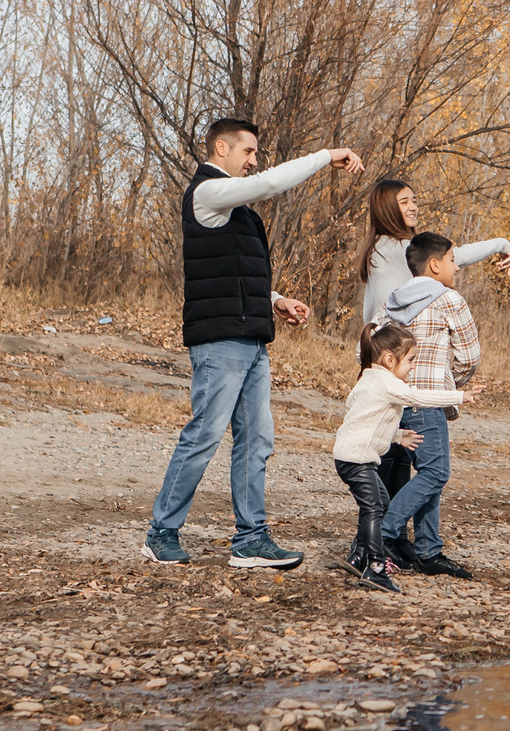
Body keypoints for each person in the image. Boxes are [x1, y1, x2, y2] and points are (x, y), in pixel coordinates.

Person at [146, 118, 362, 569]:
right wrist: (326, 156)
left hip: (251, 337)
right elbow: (268, 185)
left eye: (256, 154)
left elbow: (235, 273)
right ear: (221, 148)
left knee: (257, 439)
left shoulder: (239, 212)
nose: (254, 161)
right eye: (248, 152)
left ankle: (250, 539)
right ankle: (161, 533)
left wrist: (277, 300)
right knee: (204, 434)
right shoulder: (206, 193)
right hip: (219, 340)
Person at [330, 322, 473, 592]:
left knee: (380, 503)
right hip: (358, 460)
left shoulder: (367, 379)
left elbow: (364, 420)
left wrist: (398, 436)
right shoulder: (387, 382)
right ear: (389, 360)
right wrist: (459, 396)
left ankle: (358, 556)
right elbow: (417, 396)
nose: (412, 367)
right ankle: (375, 568)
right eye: (410, 360)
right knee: (375, 509)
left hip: (348, 456)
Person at [376, 232, 481, 578]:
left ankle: (427, 551)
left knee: (425, 474)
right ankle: (381, 533)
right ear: (435, 265)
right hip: (427, 401)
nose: (456, 268)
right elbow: (469, 356)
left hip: (394, 399)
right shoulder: (450, 299)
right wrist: (451, 384)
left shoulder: (392, 300)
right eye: (453, 261)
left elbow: (373, 344)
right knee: (436, 472)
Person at [359, 178, 510, 325]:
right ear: (387, 209)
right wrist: (501, 244)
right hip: (393, 345)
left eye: (414, 201)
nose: (413, 207)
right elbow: (453, 257)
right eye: (404, 202)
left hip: (379, 345)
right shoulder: (395, 248)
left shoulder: (377, 247)